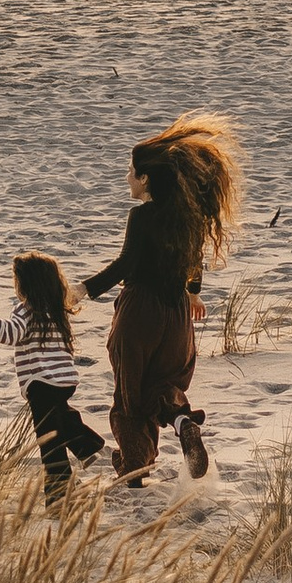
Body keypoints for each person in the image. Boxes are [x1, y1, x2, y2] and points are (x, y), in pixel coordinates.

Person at [83, 113, 242, 484]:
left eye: (131, 171)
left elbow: (126, 263)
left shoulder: (141, 217)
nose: (128, 178)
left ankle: (135, 468)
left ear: (146, 179)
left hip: (140, 312)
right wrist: (193, 294)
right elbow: (194, 261)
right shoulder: (192, 217)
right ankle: (182, 421)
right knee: (163, 387)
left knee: (130, 394)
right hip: (177, 318)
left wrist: (84, 289)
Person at [0, 252, 108, 501]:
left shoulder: (26, 310)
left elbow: (11, 333)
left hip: (41, 384)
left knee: (50, 444)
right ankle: (86, 446)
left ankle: (58, 497)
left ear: (25, 285)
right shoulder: (57, 309)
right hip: (64, 381)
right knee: (61, 417)